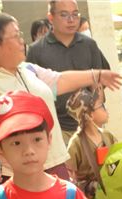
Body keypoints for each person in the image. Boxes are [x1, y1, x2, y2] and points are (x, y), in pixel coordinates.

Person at [0, 12, 122, 183]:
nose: (22, 41)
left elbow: (60, 80)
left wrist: (97, 75)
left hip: (55, 166)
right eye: (16, 36)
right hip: (13, 175)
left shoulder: (29, 70)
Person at [27, 0, 111, 144]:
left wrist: (97, 111)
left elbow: (97, 83)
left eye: (75, 14)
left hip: (89, 123)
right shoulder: (36, 50)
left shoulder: (89, 44)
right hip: (55, 127)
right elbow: (32, 91)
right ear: (51, 17)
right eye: (64, 15)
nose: (71, 20)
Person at [65, 86, 117, 199]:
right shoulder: (76, 143)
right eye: (101, 106)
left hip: (112, 194)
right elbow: (70, 177)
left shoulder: (108, 136)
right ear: (90, 115)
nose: (105, 110)